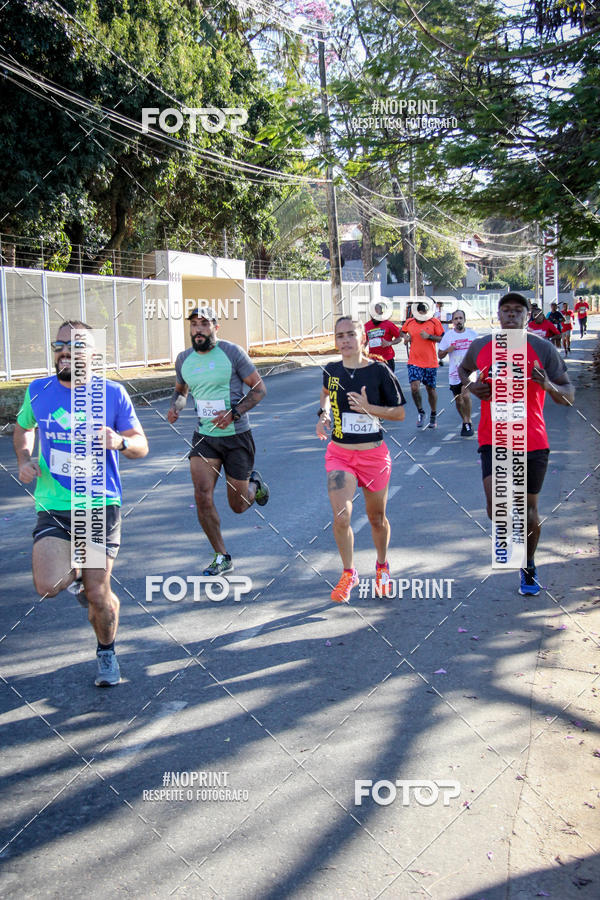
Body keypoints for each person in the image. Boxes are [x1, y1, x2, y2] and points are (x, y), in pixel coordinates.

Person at [13, 321, 149, 686]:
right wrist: (25, 458)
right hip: (53, 503)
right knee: (48, 583)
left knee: (99, 597)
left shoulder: (113, 393)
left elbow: (141, 445)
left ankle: (106, 651)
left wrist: (118, 442)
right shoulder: (38, 390)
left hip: (97, 504)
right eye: (59, 344)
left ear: (93, 354)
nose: (64, 351)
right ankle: (81, 582)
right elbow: (23, 427)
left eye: (75, 345)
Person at [458, 292, 574, 596]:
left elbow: (568, 395)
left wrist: (547, 385)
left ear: (526, 316)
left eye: (517, 311)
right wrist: (472, 386)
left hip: (532, 438)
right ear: (498, 315)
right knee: (497, 505)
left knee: (529, 511)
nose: (511, 315)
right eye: (506, 310)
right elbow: (462, 371)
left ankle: (528, 564)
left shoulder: (542, 348)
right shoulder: (482, 346)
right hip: (492, 438)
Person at [167, 306, 269, 576]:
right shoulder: (183, 359)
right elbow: (180, 391)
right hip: (205, 438)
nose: (198, 329)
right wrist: (176, 406)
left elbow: (259, 390)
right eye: (193, 324)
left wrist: (235, 412)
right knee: (202, 496)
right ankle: (222, 555)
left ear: (215, 327)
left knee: (237, 506)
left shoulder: (232, 353)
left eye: (204, 323)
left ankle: (254, 485)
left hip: (237, 437)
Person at [317, 316, 406, 604]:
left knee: (375, 518)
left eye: (350, 334)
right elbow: (326, 396)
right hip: (340, 454)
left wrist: (369, 408)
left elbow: (399, 413)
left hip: (373, 455)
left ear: (362, 338)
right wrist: (324, 416)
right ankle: (348, 573)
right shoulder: (331, 371)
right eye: (339, 335)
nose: (344, 340)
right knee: (341, 516)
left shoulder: (379, 371)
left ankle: (381, 566)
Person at [401, 301, 444, 428]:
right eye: (419, 315)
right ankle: (420, 412)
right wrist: (405, 337)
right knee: (414, 387)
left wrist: (429, 336)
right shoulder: (409, 322)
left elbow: (442, 338)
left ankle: (433, 414)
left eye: (423, 315)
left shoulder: (434, 322)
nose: (421, 317)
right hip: (414, 361)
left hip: (430, 362)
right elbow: (401, 331)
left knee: (430, 389)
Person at [437, 309, 478, 436]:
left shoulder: (472, 334)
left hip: (469, 371)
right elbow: (440, 355)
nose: (458, 320)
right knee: (458, 401)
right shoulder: (448, 336)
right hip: (454, 373)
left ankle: (467, 422)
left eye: (461, 318)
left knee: (465, 396)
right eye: (456, 319)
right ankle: (465, 420)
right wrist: (448, 350)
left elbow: (480, 352)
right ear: (452, 322)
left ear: (464, 320)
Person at [364, 303, 403, 372]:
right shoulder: (366, 326)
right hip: (373, 361)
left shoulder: (388, 324)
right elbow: (364, 342)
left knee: (388, 382)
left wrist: (389, 343)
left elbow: (399, 338)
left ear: (381, 313)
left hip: (387, 359)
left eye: (376, 314)